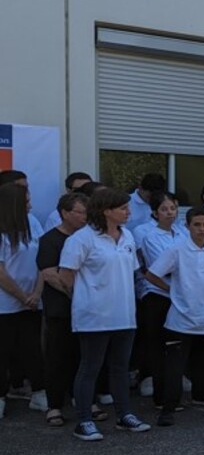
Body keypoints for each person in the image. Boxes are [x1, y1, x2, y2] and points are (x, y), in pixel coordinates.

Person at [58, 187, 151, 440]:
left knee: (120, 367)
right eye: (123, 208)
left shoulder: (128, 236)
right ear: (106, 211)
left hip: (124, 315)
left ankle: (124, 415)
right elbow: (66, 276)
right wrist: (87, 299)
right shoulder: (82, 238)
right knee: (90, 368)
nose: (128, 212)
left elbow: (131, 271)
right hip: (94, 316)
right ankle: (84, 421)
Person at [145, 207, 204, 426]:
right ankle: (168, 408)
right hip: (181, 319)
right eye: (197, 224)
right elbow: (152, 273)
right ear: (187, 226)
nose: (202, 229)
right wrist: (171, 290)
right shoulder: (176, 250)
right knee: (175, 367)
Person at [37, 193, 93, 426]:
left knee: (85, 357)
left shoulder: (89, 238)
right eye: (79, 212)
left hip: (88, 310)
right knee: (57, 357)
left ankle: (85, 401)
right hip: (61, 308)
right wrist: (76, 294)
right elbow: (49, 274)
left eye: (85, 212)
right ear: (64, 213)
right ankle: (54, 405)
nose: (84, 217)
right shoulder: (50, 239)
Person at [0, 182, 48, 419]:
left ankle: (39, 393)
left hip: (32, 300)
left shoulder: (33, 222)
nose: (30, 205)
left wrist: (36, 293)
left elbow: (42, 260)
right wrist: (21, 296)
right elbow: (1, 272)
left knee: (33, 349)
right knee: (3, 351)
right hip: (6, 303)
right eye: (26, 201)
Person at [132, 192, 185, 402]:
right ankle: (160, 394)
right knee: (156, 344)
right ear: (155, 213)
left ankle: (175, 391)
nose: (169, 213)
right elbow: (159, 266)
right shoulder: (149, 236)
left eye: (172, 208)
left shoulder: (182, 233)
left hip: (180, 296)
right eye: (164, 209)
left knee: (175, 345)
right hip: (158, 294)